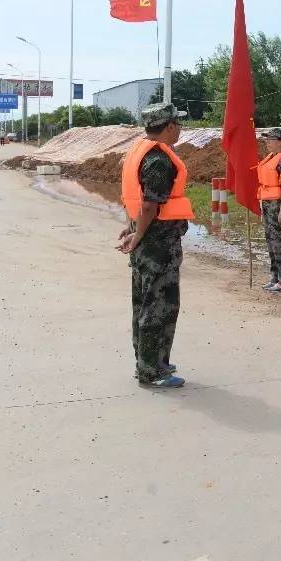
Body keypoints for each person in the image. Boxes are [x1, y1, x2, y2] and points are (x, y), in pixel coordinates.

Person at [117, 103, 192, 388]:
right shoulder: (158, 160)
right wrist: (136, 235)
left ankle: (152, 360)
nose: (180, 130)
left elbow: (132, 197)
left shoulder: (138, 150)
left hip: (149, 239)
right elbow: (149, 205)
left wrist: (133, 228)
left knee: (145, 302)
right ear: (169, 126)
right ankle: (151, 370)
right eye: (178, 125)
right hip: (158, 244)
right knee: (159, 306)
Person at [257, 128, 281, 293]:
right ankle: (276, 277)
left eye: (271, 139)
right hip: (267, 203)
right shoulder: (270, 158)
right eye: (266, 139)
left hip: (279, 204)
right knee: (271, 241)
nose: (267, 142)